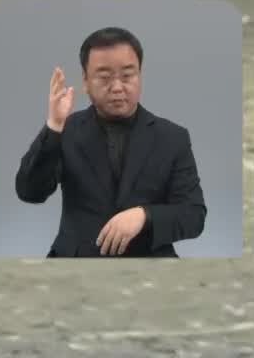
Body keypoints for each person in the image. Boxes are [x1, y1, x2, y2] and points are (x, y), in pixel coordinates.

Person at [13, 26, 207, 256]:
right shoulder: (67, 130)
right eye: (104, 77)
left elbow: (193, 216)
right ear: (85, 81)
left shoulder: (172, 137)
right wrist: (54, 126)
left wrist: (144, 215)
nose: (117, 87)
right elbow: (30, 192)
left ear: (140, 75)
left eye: (127, 75)